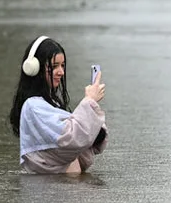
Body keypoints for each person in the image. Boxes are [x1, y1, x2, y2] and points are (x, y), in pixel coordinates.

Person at [8, 35, 108, 175]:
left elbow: (87, 140)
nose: (61, 72)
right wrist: (89, 101)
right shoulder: (33, 107)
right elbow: (71, 138)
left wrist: (91, 108)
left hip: (67, 188)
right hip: (55, 192)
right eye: (54, 66)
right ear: (34, 68)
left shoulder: (49, 104)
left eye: (62, 65)